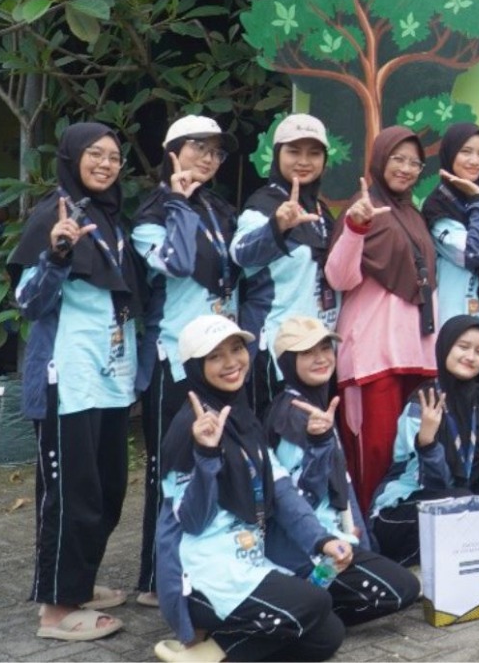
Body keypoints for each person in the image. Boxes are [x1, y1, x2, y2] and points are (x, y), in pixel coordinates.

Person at [10, 122, 143, 642]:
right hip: (67, 380)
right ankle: (56, 611)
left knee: (107, 490)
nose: (106, 164)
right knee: (70, 498)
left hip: (108, 381)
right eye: (95, 154)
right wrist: (58, 253)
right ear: (71, 157)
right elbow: (28, 302)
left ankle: (79, 584)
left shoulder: (110, 220)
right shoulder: (55, 215)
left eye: (114, 156)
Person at [154, 315, 351, 663]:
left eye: (236, 349)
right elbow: (193, 521)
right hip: (202, 574)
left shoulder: (242, 417)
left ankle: (214, 654)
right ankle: (208, 642)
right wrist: (206, 455)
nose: (231, 363)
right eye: (215, 356)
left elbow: (283, 491)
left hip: (247, 560)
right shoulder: (191, 427)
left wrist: (320, 540)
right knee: (315, 603)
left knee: (327, 635)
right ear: (195, 367)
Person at [134, 114, 240, 604]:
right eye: (199, 147)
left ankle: (204, 565)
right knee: (169, 465)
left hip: (222, 357)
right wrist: (177, 202)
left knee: (213, 459)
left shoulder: (220, 209)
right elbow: (173, 262)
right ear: (172, 148)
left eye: (216, 152)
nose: (208, 158)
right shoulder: (153, 210)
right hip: (174, 358)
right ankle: (158, 577)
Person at [263, 316, 419, 628]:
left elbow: (341, 486)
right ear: (288, 362)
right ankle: (305, 607)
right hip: (309, 552)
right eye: (307, 353)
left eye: (325, 348)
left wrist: (363, 543)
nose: (321, 358)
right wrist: (319, 444)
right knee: (402, 590)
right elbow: (297, 498)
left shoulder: (317, 405)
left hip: (338, 538)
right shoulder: (292, 416)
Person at [325, 125, 440, 510]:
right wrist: (356, 227)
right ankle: (367, 540)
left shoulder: (413, 213)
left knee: (407, 451)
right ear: (379, 160)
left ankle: (396, 533)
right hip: (372, 355)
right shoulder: (363, 208)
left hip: (418, 354)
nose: (406, 168)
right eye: (398, 159)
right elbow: (339, 277)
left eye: (414, 162)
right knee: (372, 453)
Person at [366, 314, 479, 566]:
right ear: (445, 347)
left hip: (455, 501)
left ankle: (456, 560)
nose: (471, 357)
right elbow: (433, 482)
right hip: (402, 509)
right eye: (463, 347)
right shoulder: (423, 401)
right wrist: (427, 442)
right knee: (457, 498)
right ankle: (418, 565)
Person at [232, 114, 336, 415]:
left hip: (315, 352)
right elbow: (240, 254)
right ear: (277, 155)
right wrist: (276, 226)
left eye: (314, 153)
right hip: (275, 352)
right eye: (294, 151)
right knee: (272, 444)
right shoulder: (263, 205)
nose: (304, 161)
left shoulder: (320, 210)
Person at [423, 122, 479, 387]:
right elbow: (476, 253)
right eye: (466, 151)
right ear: (449, 154)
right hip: (454, 325)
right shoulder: (438, 205)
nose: (475, 161)